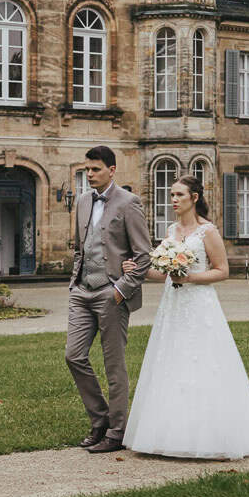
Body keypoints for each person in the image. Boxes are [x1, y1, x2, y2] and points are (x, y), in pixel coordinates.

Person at [120, 175, 249, 460]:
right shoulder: (171, 230)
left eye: (179, 195)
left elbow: (223, 270)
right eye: (172, 194)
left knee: (203, 361)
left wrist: (191, 278)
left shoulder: (207, 231)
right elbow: (162, 273)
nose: (173, 199)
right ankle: (166, 434)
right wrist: (137, 270)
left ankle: (210, 435)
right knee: (171, 360)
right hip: (173, 305)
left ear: (194, 198)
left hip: (199, 303)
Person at [66, 146, 152, 454]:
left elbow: (144, 255)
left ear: (112, 170)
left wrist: (121, 289)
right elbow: (79, 246)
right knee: (73, 356)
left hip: (111, 293)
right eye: (87, 169)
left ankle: (117, 431)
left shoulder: (130, 204)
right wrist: (75, 282)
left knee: (113, 365)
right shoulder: (82, 201)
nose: (90, 174)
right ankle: (100, 419)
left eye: (96, 169)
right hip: (82, 291)